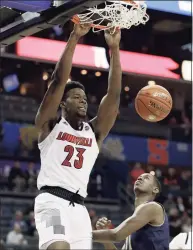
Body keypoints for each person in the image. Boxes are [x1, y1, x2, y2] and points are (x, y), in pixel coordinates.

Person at [34, 23, 122, 250]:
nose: (83, 100)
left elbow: (113, 96)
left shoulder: (94, 132)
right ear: (63, 102)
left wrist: (114, 49)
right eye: (75, 96)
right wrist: (75, 36)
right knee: (59, 247)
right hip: (51, 202)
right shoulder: (50, 125)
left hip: (80, 210)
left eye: (84, 97)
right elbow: (57, 81)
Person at [93, 173, 170, 250]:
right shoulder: (134, 224)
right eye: (139, 177)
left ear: (155, 189)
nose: (140, 178)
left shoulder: (154, 207)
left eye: (146, 178)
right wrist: (105, 238)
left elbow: (116, 235)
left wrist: (84, 235)